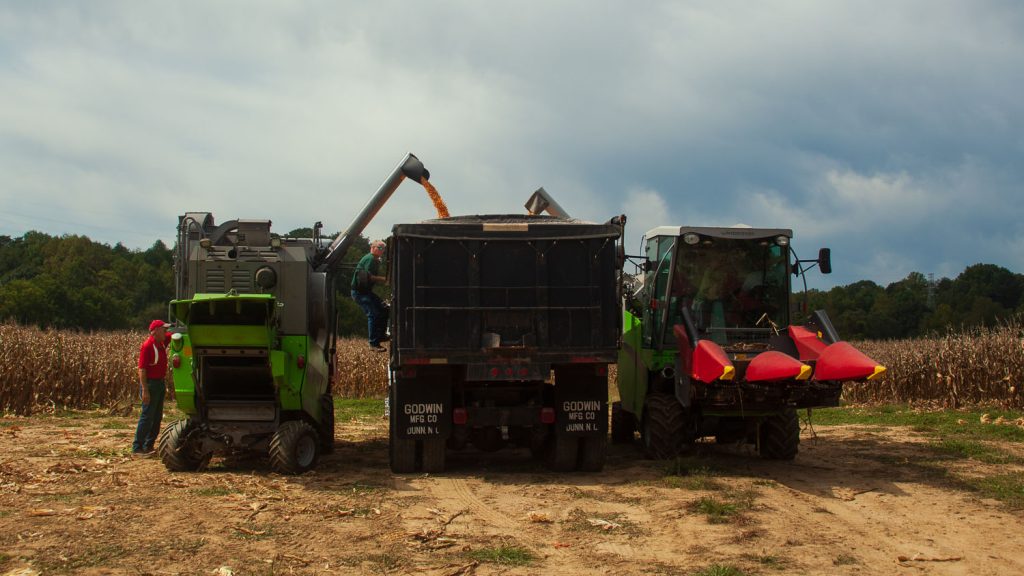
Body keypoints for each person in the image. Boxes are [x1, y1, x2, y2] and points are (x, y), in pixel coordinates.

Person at [132, 319, 171, 457]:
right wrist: (145, 390)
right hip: (150, 384)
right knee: (147, 416)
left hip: (160, 384)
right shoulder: (148, 346)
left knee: (157, 417)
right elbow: (142, 369)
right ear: (156, 331)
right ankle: (137, 448)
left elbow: (174, 334)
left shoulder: (161, 342)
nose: (166, 331)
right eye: (163, 329)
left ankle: (148, 446)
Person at [351, 239, 390, 351]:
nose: (382, 250)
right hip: (360, 293)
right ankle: (373, 343)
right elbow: (367, 276)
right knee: (373, 314)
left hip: (365, 292)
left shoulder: (375, 259)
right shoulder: (370, 259)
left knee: (384, 309)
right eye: (380, 248)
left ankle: (381, 335)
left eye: (383, 248)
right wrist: (384, 279)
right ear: (372, 248)